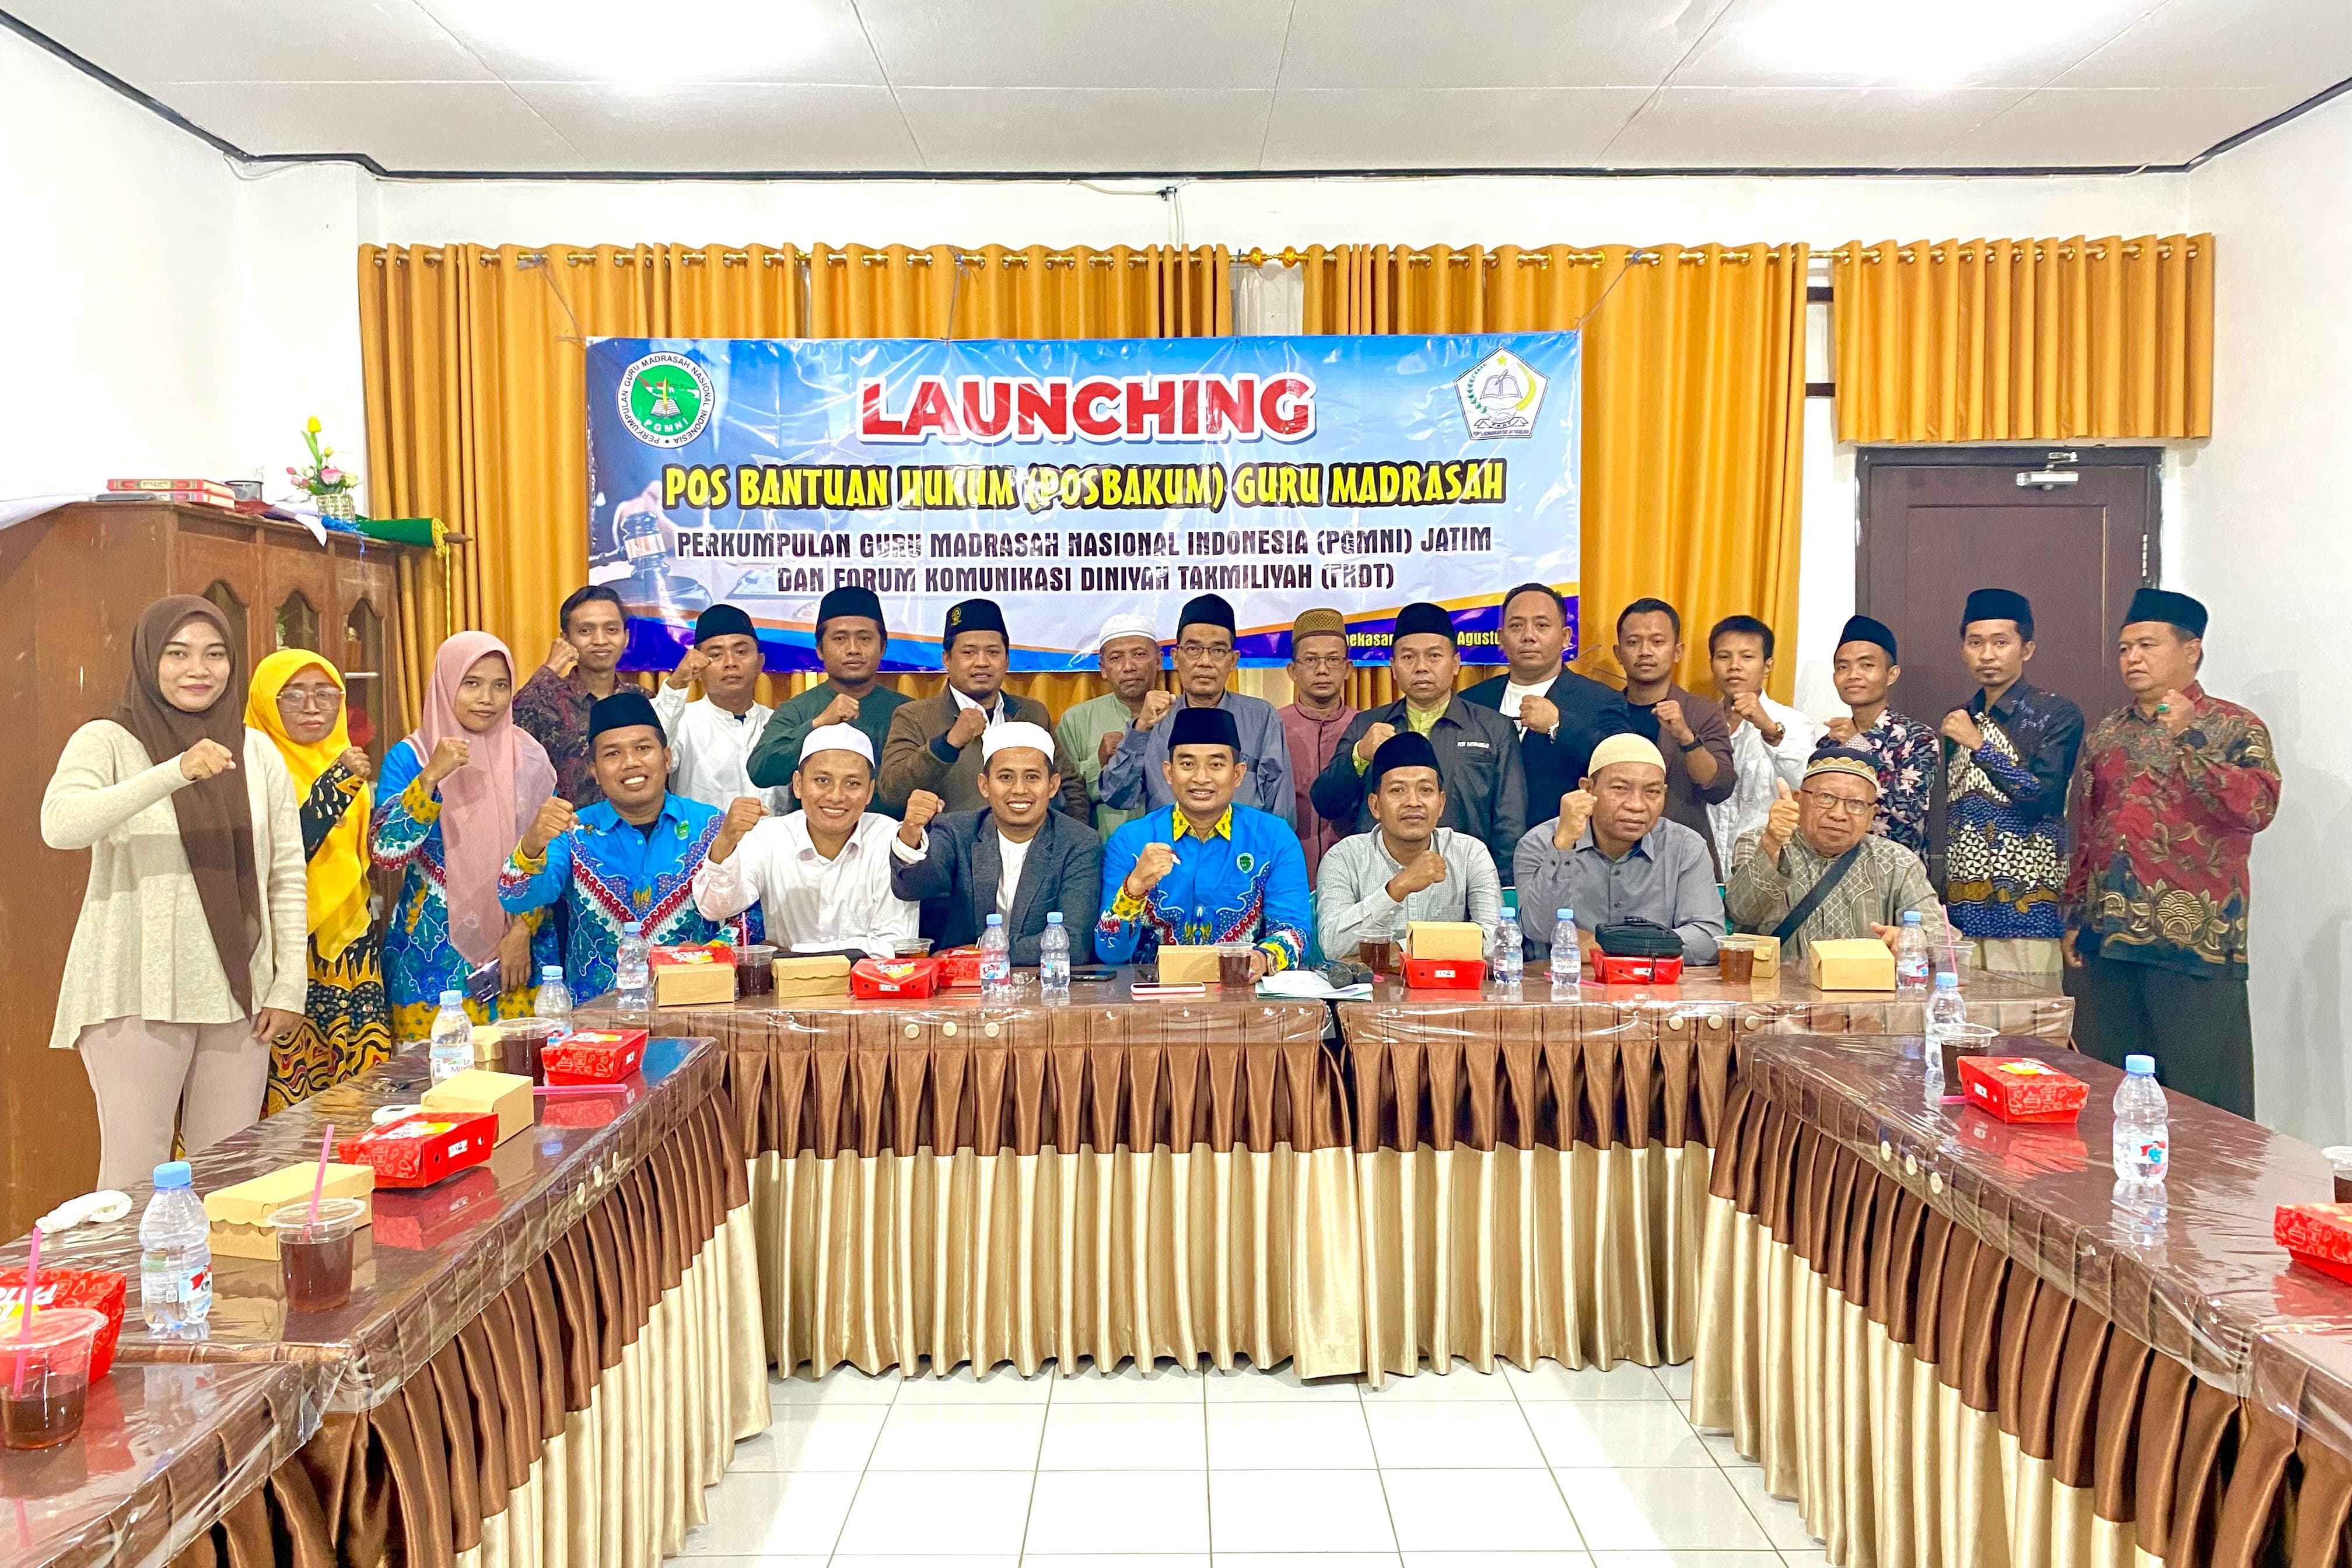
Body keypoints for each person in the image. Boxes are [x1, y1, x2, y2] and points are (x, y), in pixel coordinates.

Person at [43, 597, 307, 1188]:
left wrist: (289, 980)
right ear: (148, 659)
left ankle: (217, 1286)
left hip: (242, 996)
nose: (199, 669)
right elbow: (60, 825)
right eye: (178, 653)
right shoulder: (106, 740)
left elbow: (286, 872)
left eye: (215, 654)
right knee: (138, 1180)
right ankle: (132, 1287)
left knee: (230, 1178)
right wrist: (175, 771)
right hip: (136, 989)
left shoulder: (257, 751)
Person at [2066, 589, 2278, 1118]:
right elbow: (2089, 827)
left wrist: (2191, 736)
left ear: (2192, 650)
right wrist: (2074, 914)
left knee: (2204, 1108)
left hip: (2196, 948)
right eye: (2124, 648)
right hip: (2110, 941)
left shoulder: (2234, 727)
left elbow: (2257, 809)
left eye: (2146, 645)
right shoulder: (2109, 732)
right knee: (2113, 1099)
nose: (2132, 658)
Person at [374, 632, 561, 1038]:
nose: (487, 698)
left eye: (500, 685)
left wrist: (523, 929)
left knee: (518, 1078)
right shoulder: (413, 757)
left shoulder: (528, 756)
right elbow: (387, 852)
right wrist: (429, 779)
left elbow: (553, 852)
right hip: (431, 955)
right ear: (445, 684)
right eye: (471, 683)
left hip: (518, 953)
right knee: (439, 1085)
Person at [498, 691, 745, 995]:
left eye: (643, 748)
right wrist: (533, 843)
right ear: (595, 771)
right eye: (612, 754)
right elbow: (516, 897)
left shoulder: (711, 827)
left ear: (666, 759)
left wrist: (703, 957)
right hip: (597, 1023)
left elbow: (747, 919)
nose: (630, 763)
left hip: (694, 1007)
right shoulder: (573, 833)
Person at [244, 649, 394, 1113]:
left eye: (326, 694)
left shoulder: (343, 758)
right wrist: (337, 785)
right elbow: (283, 854)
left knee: (360, 1097)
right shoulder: (252, 768)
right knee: (283, 1103)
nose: (313, 707)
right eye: (294, 696)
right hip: (284, 951)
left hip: (350, 950)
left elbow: (366, 856)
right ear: (267, 703)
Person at [1310, 601, 1526, 877]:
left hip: (1463, 882)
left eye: (1434, 656)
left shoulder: (1493, 728)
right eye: (1409, 657)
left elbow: (1510, 822)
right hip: (1379, 882)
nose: (1421, 667)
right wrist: (1360, 755)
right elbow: (1327, 803)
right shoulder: (1367, 725)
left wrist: (1503, 888)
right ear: (1393, 666)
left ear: (1456, 663)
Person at [1097, 707, 1311, 977]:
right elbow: (1109, 952)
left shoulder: (1275, 838)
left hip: (1243, 992)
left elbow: (1295, 932)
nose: (1201, 778)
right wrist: (1135, 887)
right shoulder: (1130, 841)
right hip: (1153, 998)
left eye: (1216, 765)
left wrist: (1262, 959)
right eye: (1187, 764)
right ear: (1169, 773)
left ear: (1238, 774)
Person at [1941, 589, 2085, 981]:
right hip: (1962, 918)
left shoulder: (2056, 713)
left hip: (2027, 914)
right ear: (1963, 650)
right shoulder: (1959, 719)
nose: (1987, 654)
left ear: (2027, 649)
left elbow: (2043, 800)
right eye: (1976, 643)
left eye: (2001, 642)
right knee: (1965, 1034)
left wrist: (1979, 746)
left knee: (2028, 1037)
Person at [695, 725, 918, 957]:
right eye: (822, 780)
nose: (835, 796)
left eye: (852, 784)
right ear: (799, 784)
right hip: (788, 988)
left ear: (870, 791)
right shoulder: (769, 836)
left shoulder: (889, 838)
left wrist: (795, 954)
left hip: (871, 987)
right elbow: (716, 907)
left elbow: (898, 945)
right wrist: (726, 840)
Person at [890, 722, 1102, 963]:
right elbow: (913, 888)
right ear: (984, 785)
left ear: (1053, 786)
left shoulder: (1078, 842)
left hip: (1046, 985)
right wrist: (911, 834)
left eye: (1032, 777)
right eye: (1005, 777)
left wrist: (984, 948)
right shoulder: (957, 831)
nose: (1020, 790)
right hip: (965, 990)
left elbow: (1072, 944)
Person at [1513, 734, 1723, 963]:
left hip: (1656, 990)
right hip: (1567, 988)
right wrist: (1562, 846)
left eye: (1652, 792)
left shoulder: (1685, 847)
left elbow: (1708, 939)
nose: (1636, 805)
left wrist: (1611, 946)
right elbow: (1538, 929)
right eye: (1620, 788)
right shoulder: (1540, 843)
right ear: (1588, 789)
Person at [1727, 748, 1948, 963]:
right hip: (1778, 995)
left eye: (1856, 804)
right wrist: (1771, 845)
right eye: (1825, 797)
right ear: (1798, 800)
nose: (1838, 814)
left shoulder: (1896, 861)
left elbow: (1944, 940)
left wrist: (1912, 941)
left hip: (1865, 996)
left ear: (1872, 815)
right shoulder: (1758, 842)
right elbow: (1741, 913)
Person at [879, 597, 1090, 819]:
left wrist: (1072, 843)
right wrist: (948, 744)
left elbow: (1069, 786)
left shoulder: (1032, 713)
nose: (982, 662)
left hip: (1031, 849)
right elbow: (892, 794)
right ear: (947, 660)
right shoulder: (915, 717)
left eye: (993, 652)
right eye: (969, 653)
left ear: (1007, 661)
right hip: (949, 851)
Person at [1100, 593, 1293, 825]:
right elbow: (1116, 796)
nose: (1205, 662)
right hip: (1169, 853)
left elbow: (1281, 811)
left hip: (1243, 856)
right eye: (1193, 649)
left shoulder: (1261, 718)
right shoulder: (1155, 719)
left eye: (1218, 651)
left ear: (1233, 661)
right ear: (1176, 657)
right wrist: (1140, 730)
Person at [1315, 732, 1502, 963]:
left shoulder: (1470, 853)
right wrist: (1397, 888)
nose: (1413, 802)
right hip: (1373, 996)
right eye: (1397, 790)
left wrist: (1397, 951)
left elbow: (1495, 941)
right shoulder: (1344, 857)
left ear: (1441, 803)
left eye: (1425, 790)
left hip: (1450, 995)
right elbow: (1333, 946)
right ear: (1375, 805)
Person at [1464, 582, 1642, 820]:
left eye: (1542, 625)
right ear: (1501, 638)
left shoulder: (1600, 700)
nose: (1528, 636)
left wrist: (1559, 726)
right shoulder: (1472, 701)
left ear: (1566, 637)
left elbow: (1623, 766)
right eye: (1516, 626)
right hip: (1481, 849)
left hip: (1563, 847)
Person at [747, 585, 908, 813]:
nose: (853, 649)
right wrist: (819, 724)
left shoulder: (908, 711)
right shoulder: (798, 710)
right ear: (820, 650)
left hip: (889, 841)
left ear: (883, 648)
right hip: (811, 845)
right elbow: (760, 771)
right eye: (840, 639)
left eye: (864, 638)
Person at [1611, 597, 1736, 879]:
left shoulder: (1702, 711)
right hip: (1611, 858)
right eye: (1633, 643)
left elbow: (1720, 786)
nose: (1645, 652)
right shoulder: (1603, 709)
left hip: (1681, 859)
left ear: (1677, 651)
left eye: (1657, 642)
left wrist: (1685, 736)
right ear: (1618, 653)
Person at [1704, 614, 1824, 876]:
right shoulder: (1699, 722)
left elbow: (1806, 785)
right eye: (1724, 657)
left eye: (1747, 657)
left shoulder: (1795, 722)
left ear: (1767, 666)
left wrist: (1770, 729)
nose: (1734, 666)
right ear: (1711, 663)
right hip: (1704, 868)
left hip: (1767, 867)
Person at [654, 603, 788, 814]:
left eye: (741, 651)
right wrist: (677, 683)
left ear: (760, 662)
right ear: (698, 665)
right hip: (703, 844)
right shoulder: (683, 722)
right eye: (716, 655)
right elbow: (652, 755)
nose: (730, 663)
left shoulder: (781, 724)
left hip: (777, 845)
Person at [1824, 614, 1936, 859]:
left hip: (1898, 878)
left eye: (1867, 665)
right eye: (1843, 667)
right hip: (1837, 874)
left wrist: (1858, 746)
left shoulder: (1918, 737)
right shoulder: (1829, 744)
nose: (1853, 674)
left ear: (1891, 674)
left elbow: (1910, 808)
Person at [513, 583, 629, 808]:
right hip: (566, 836)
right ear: (566, 639)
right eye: (586, 631)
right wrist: (549, 670)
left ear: (626, 638)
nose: (600, 640)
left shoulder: (641, 700)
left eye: (611, 630)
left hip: (633, 835)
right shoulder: (544, 702)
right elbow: (502, 736)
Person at [1055, 611, 1163, 842]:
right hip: (1103, 853)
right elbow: (1062, 794)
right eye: (1116, 658)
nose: (1129, 666)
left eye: (1139, 654)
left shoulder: (1180, 714)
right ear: (1103, 669)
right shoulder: (1078, 720)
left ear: (1159, 661)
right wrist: (1099, 763)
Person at [1275, 607, 1358, 884]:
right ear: (1292, 670)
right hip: (1284, 871)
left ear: (1348, 669)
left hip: (1352, 875)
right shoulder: (1272, 726)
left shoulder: (1366, 727)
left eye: (1333, 660)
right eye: (1311, 659)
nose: (1322, 670)